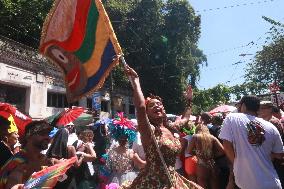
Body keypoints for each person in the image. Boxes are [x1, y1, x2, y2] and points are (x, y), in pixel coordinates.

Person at [121, 64, 202, 189]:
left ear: (164, 109)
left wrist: (189, 100)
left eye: (159, 104)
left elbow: (186, 118)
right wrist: (136, 82)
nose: (157, 106)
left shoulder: (171, 127)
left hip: (172, 179)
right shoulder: (149, 130)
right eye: (152, 105)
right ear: (147, 113)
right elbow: (141, 107)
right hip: (153, 182)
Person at [219, 95, 284, 189]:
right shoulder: (271, 126)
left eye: (239, 106)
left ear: (244, 106)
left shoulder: (232, 117)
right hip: (272, 182)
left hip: (249, 184)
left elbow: (227, 145)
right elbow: (279, 154)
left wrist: (237, 162)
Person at [0, 120, 53, 189]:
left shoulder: (42, 159)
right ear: (29, 136)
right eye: (42, 134)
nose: (48, 137)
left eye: (48, 134)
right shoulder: (18, 162)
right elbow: (14, 183)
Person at [188, 124, 224, 189]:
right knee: (215, 184)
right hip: (212, 163)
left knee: (202, 185)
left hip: (201, 164)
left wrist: (197, 154)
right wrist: (213, 156)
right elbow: (223, 151)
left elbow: (189, 151)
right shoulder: (212, 137)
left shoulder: (195, 137)